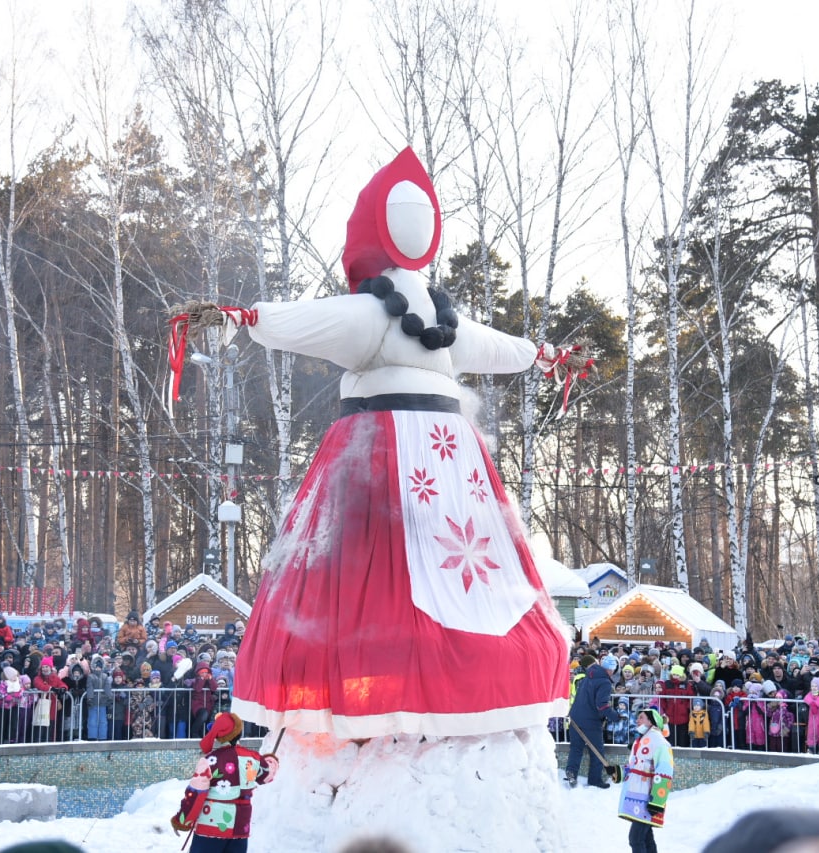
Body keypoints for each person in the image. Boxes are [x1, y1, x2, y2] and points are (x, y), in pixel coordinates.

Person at [213, 148, 583, 739]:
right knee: (419, 568)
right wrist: (541, 355)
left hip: (407, 452)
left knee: (381, 577)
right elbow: (492, 345)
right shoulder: (407, 318)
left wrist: (248, 318)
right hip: (432, 454)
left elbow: (311, 321)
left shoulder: (389, 315)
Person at [172, 711, 278, 852]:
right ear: (239, 733)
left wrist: (182, 821)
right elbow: (267, 775)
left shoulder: (210, 761)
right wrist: (271, 760)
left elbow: (195, 794)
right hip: (240, 828)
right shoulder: (254, 759)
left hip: (210, 829)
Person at [617, 708, 674, 853]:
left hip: (648, 798)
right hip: (637, 795)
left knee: (636, 839)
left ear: (651, 721)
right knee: (646, 838)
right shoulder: (641, 741)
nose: (637, 720)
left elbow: (665, 771)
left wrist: (657, 801)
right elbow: (635, 767)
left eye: (641, 717)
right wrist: (617, 772)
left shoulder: (659, 742)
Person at [565, 660, 621, 788]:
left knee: (576, 748)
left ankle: (571, 772)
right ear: (611, 669)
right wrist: (615, 716)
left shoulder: (588, 676)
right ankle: (595, 779)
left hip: (574, 717)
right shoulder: (605, 682)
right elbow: (602, 705)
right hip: (591, 721)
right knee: (597, 751)